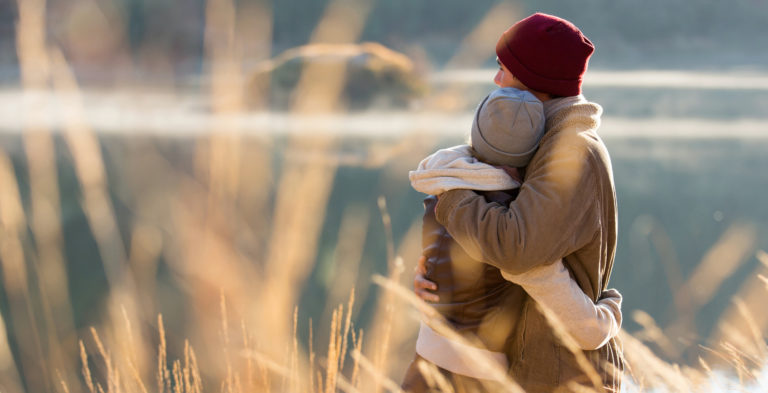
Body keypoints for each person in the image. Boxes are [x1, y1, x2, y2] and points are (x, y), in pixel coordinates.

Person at [412, 13, 624, 393]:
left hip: (561, 375)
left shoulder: (572, 152)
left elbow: (516, 249)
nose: (496, 80)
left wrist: (449, 194)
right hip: (535, 365)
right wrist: (441, 274)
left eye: (504, 69)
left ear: (536, 79)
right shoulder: (542, 142)